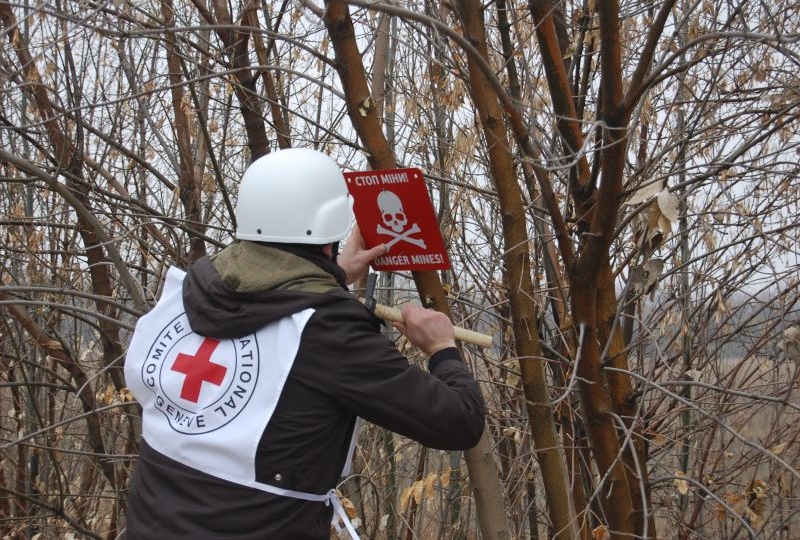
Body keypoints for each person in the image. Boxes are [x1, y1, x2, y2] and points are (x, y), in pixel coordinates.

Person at [123, 148, 485, 539]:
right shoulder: (330, 330)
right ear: (329, 229)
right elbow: (459, 422)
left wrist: (329, 276)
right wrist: (442, 348)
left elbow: (275, 300)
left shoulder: (193, 288)